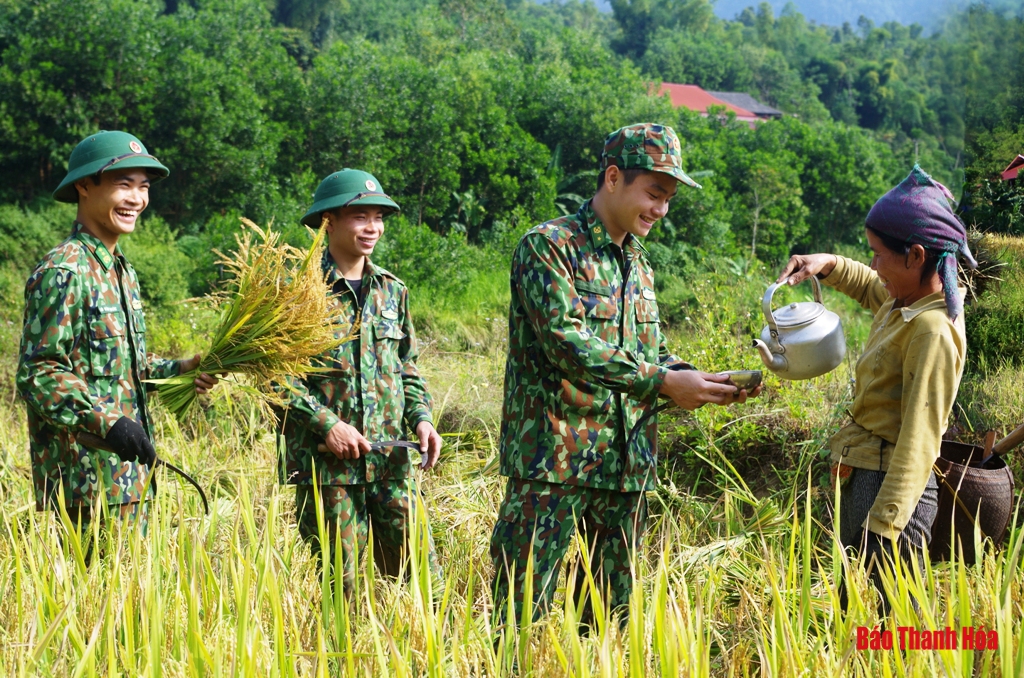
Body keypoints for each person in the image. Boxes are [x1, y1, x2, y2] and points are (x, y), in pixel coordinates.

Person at [489, 123, 761, 628]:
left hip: (625, 466)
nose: (660, 209)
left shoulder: (639, 263)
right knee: (520, 614)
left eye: (669, 199)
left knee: (610, 621)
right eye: (654, 194)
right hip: (554, 464)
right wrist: (661, 380)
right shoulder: (548, 247)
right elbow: (566, 343)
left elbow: (649, 353)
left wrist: (697, 379)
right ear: (613, 177)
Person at [777, 165, 975, 614]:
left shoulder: (931, 329)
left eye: (879, 254)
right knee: (856, 612)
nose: (873, 265)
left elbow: (921, 439)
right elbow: (871, 287)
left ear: (916, 255)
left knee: (886, 626)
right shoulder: (907, 298)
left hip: (890, 489)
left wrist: (884, 527)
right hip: (866, 472)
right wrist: (825, 264)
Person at [17, 130, 218, 548]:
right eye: (123, 184)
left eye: (143, 187)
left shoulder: (121, 273)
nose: (136, 199)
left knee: (135, 607)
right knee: (92, 609)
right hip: (85, 486)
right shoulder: (65, 271)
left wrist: (180, 371)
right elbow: (39, 372)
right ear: (84, 185)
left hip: (131, 483)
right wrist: (108, 421)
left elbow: (127, 369)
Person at [277, 168, 443, 592]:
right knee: (341, 589)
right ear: (328, 221)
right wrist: (326, 423)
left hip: (392, 463)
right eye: (361, 217)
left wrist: (422, 418)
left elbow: (407, 365)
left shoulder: (392, 290)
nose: (373, 228)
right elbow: (276, 379)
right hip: (329, 471)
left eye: (379, 217)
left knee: (420, 583)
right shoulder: (298, 292)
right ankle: (338, 659)